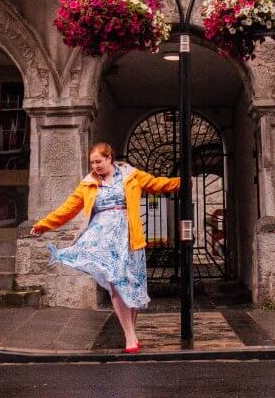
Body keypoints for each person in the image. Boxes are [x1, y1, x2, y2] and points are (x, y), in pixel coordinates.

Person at [30, 142, 180, 352]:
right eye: (92, 163)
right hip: (102, 241)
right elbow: (68, 209)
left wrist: (181, 182)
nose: (95, 166)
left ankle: (132, 333)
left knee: (132, 286)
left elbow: (157, 184)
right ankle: (129, 337)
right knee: (116, 283)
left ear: (110, 158)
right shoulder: (88, 183)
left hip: (129, 238)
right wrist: (43, 224)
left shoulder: (131, 175)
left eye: (99, 161)